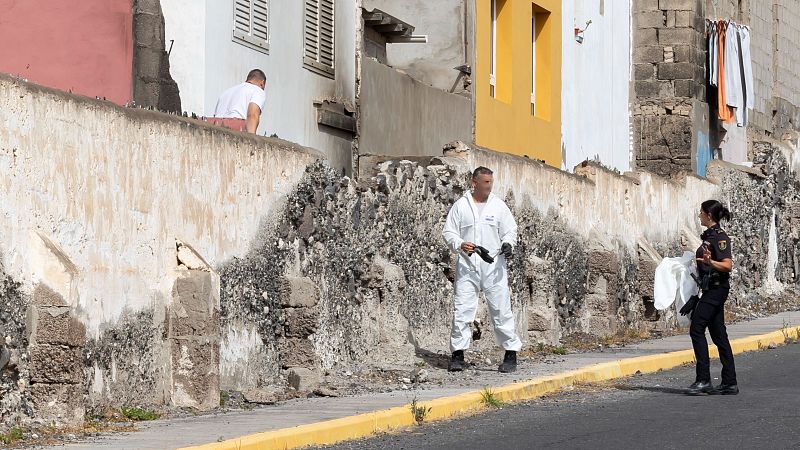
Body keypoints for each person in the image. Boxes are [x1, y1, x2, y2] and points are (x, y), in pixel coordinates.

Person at [442, 166, 522, 373]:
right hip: (468, 266)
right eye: (486, 183)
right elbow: (448, 232)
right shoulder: (461, 206)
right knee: (462, 309)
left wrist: (508, 244)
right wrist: (460, 243)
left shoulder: (498, 206)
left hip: (493, 267)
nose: (489, 187)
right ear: (474, 182)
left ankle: (510, 354)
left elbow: (510, 230)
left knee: (500, 309)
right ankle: (458, 354)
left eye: (491, 182)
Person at [682, 199, 738, 395]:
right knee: (718, 334)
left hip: (717, 289)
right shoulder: (709, 237)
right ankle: (730, 382)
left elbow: (727, 265)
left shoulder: (720, 238)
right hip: (710, 289)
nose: (699, 216)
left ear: (709, 215)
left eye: (701, 212)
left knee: (696, 329)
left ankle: (704, 380)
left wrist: (710, 262)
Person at [210, 69, 267, 133]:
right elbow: (252, 115)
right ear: (262, 83)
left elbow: (216, 117)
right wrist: (252, 139)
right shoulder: (258, 90)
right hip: (236, 131)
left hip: (216, 131)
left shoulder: (225, 93)